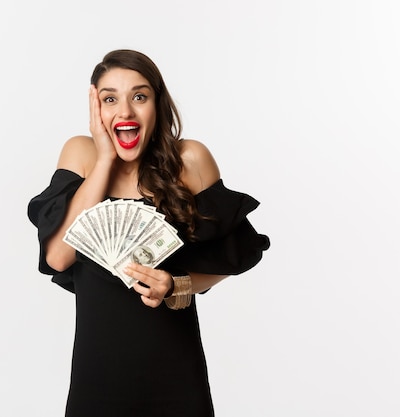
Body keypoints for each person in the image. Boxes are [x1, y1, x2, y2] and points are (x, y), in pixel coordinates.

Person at [27, 49, 270, 417]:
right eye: (110, 99)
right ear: (97, 109)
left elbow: (235, 257)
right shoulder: (81, 154)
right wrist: (105, 158)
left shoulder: (190, 160)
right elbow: (58, 256)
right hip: (99, 377)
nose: (125, 112)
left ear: (158, 104)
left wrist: (175, 286)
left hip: (174, 374)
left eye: (139, 97)